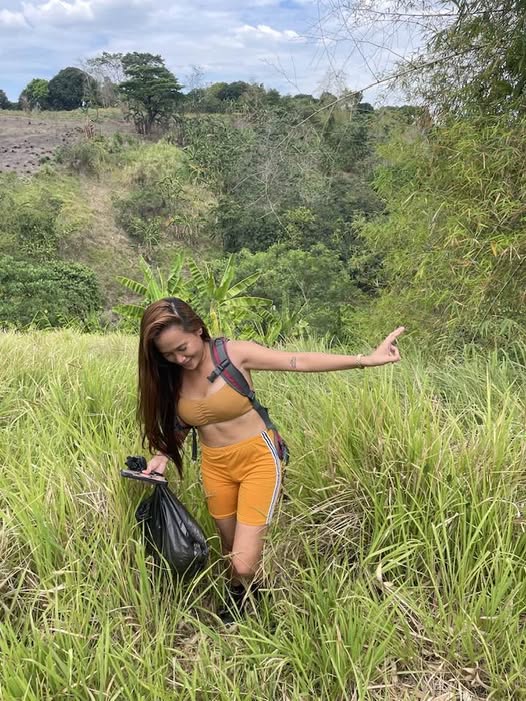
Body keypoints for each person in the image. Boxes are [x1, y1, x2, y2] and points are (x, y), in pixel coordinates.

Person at [135, 297, 404, 622]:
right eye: (169, 354)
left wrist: (365, 360)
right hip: (215, 465)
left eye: (183, 348)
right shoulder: (173, 375)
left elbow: (299, 361)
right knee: (230, 546)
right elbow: (182, 422)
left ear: (198, 330)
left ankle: (258, 593)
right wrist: (163, 455)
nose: (180, 359)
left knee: (243, 560)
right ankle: (245, 597)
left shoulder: (235, 354)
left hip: (258, 459)